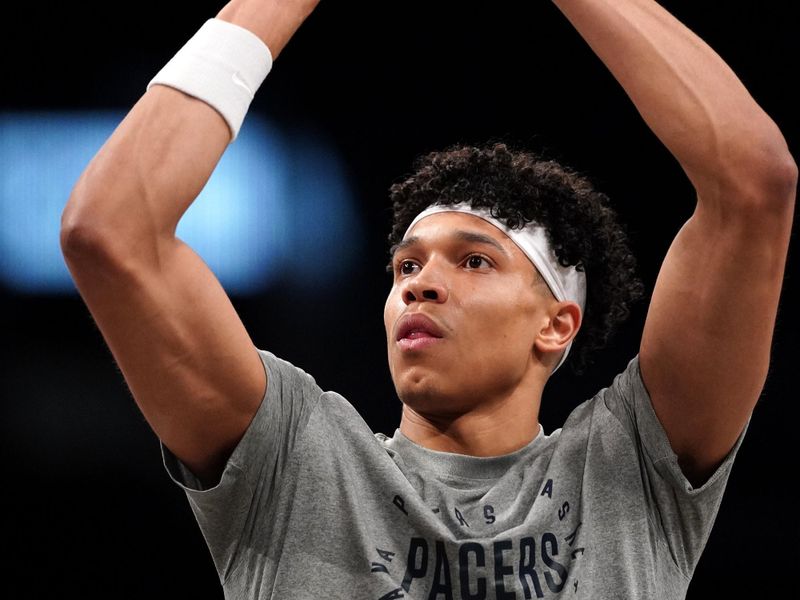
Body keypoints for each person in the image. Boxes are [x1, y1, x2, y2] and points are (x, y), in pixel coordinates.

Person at [60, 0, 795, 598]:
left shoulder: (628, 470)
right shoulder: (293, 461)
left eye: (475, 261)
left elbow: (754, 183)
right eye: (405, 265)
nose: (420, 281)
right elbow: (110, 231)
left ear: (555, 324)